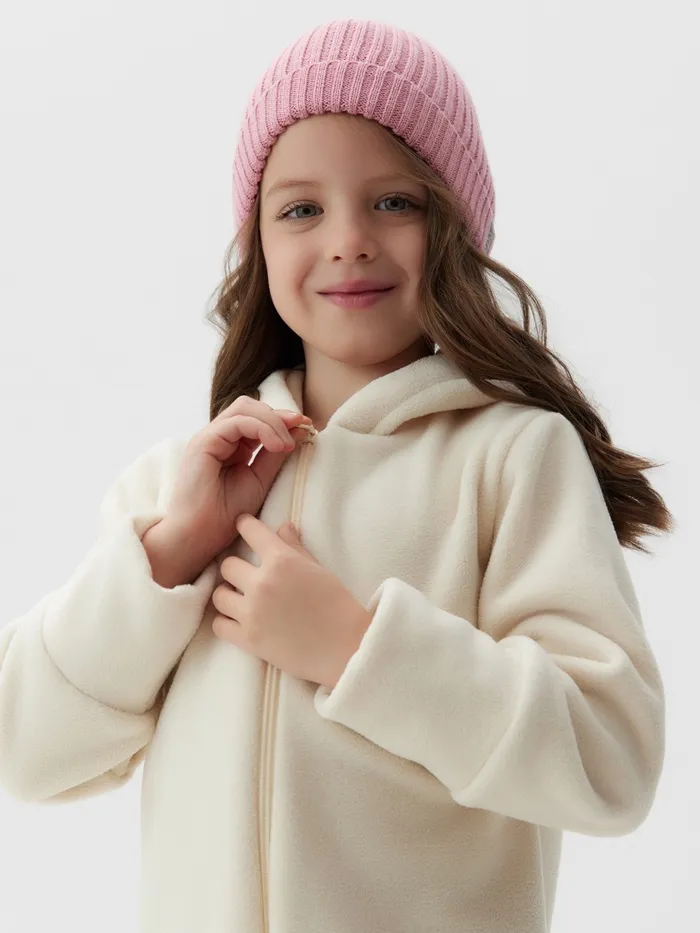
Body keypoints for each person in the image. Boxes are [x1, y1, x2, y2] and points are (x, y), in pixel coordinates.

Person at [0, 17, 672, 933]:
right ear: (257, 244)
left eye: (393, 201)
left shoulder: (513, 457)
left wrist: (359, 649)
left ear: (454, 227)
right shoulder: (176, 490)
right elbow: (27, 750)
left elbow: (611, 760)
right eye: (301, 209)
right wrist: (169, 556)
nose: (349, 239)